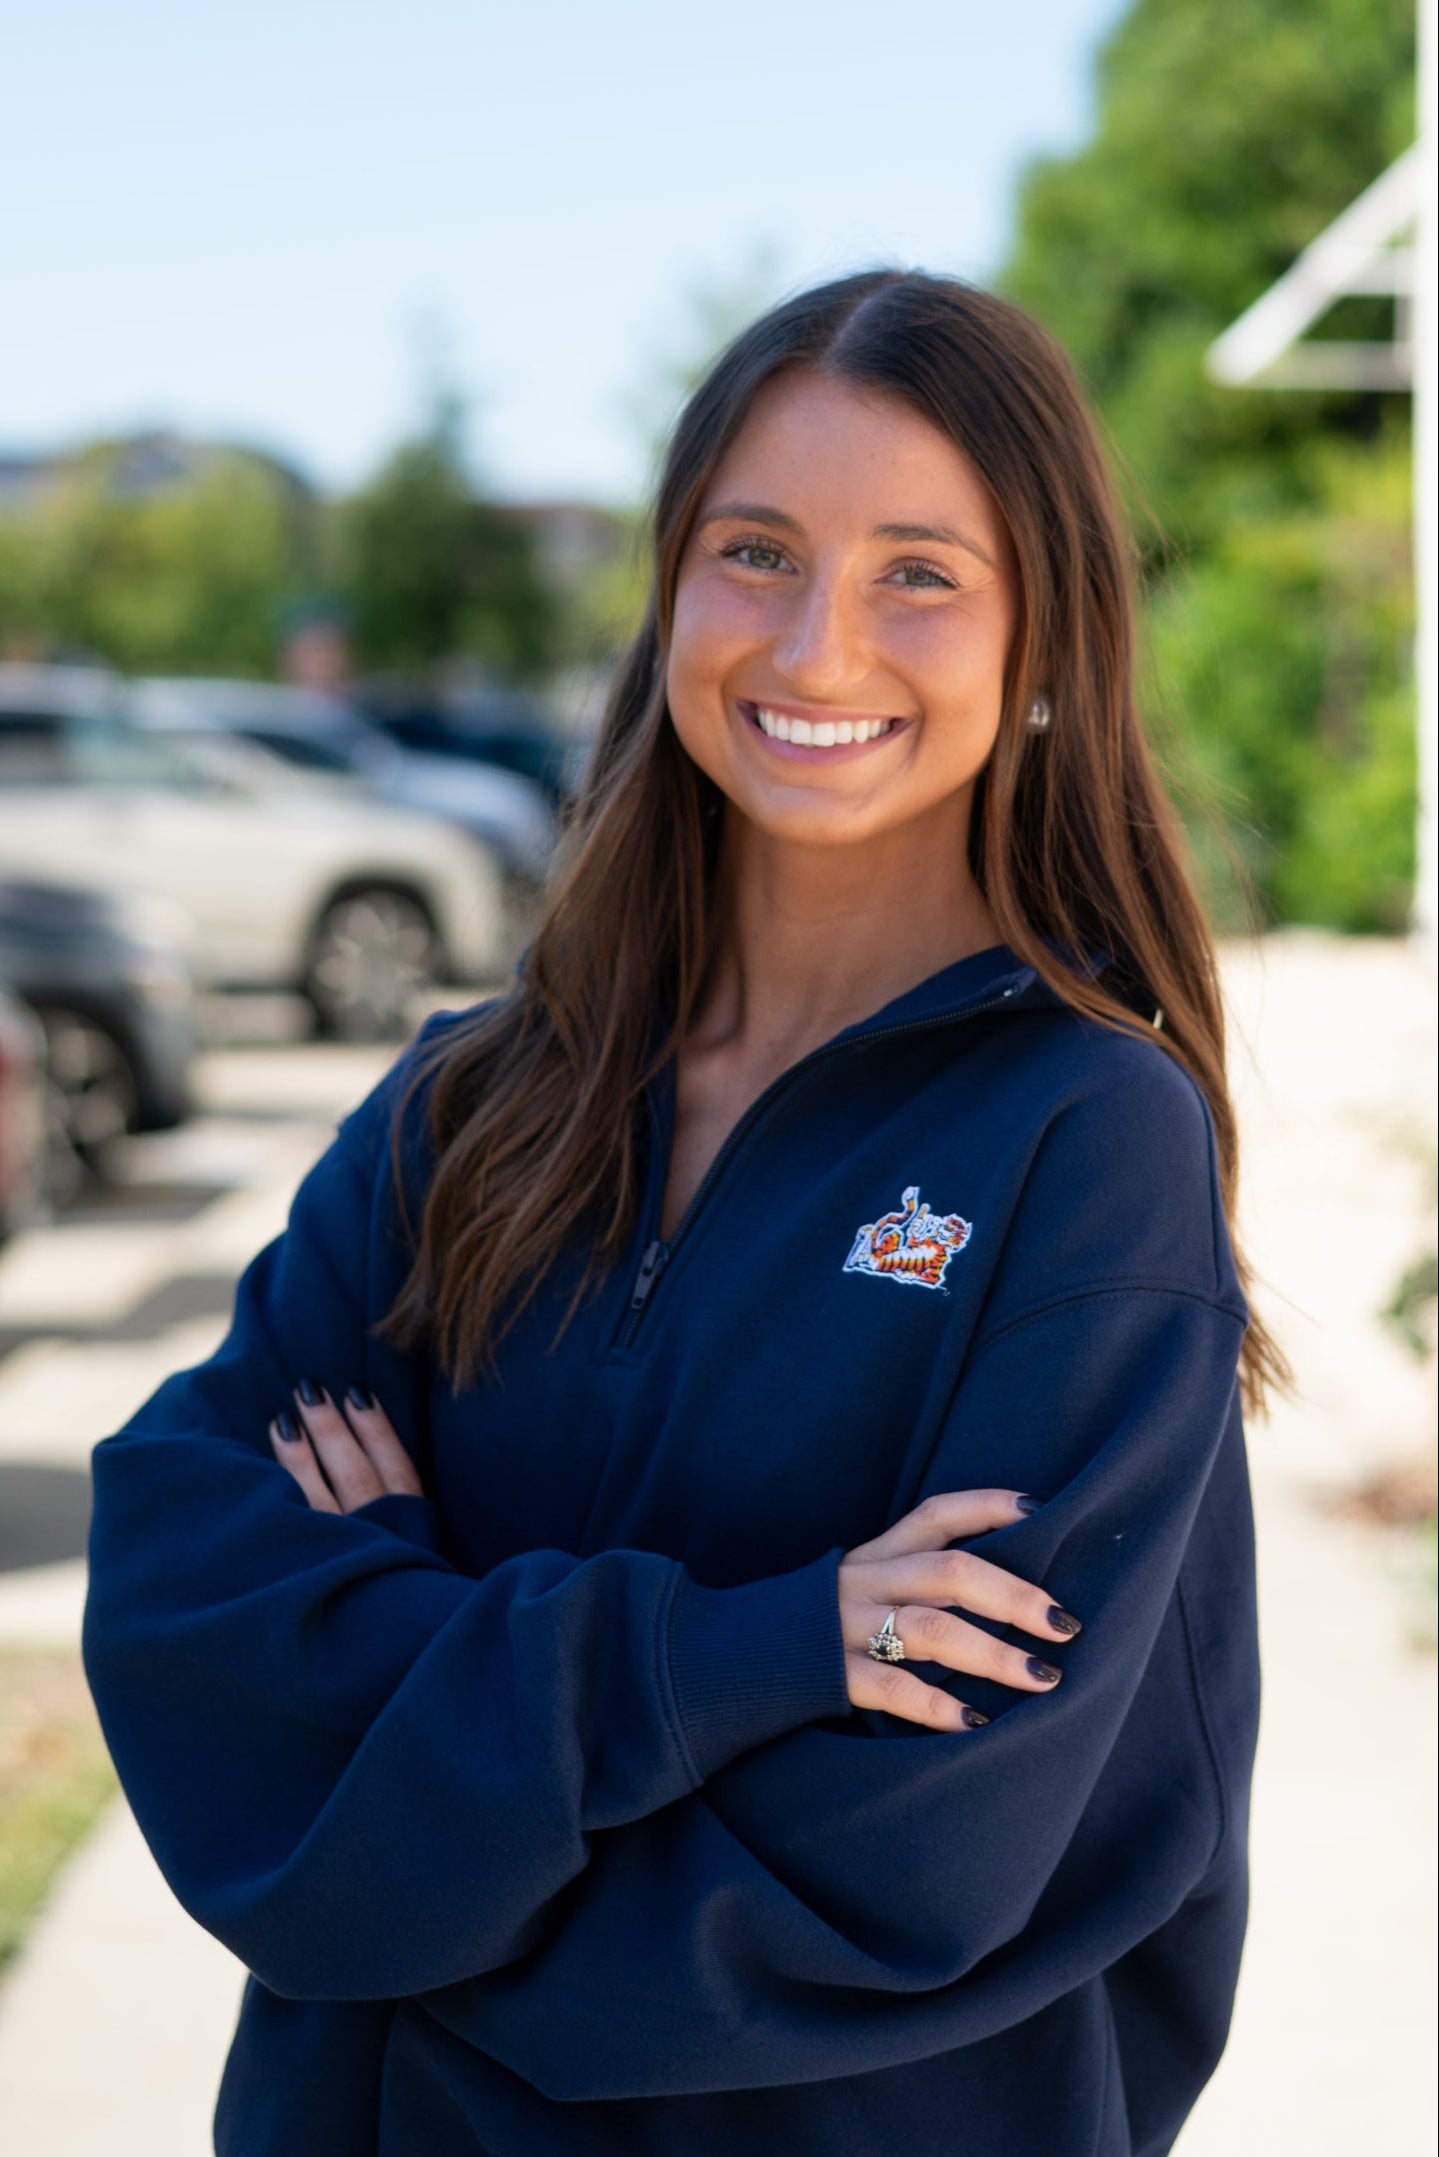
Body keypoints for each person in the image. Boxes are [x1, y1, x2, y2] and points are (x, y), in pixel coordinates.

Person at [82, 270, 1273, 2157]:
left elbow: (916, 1866)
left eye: (918, 572)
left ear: (1047, 632)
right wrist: (742, 1656)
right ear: (669, 588)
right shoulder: (475, 1101)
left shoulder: (1085, 1142)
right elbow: (175, 1600)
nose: (817, 645)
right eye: (757, 551)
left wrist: (399, 1764)